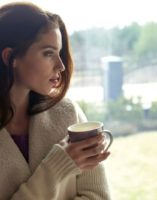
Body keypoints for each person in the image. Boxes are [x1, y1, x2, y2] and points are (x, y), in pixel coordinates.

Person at [0, 2, 111, 200]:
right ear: (10, 57)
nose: (60, 66)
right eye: (48, 53)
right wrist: (62, 162)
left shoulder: (68, 114)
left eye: (59, 53)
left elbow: (98, 196)